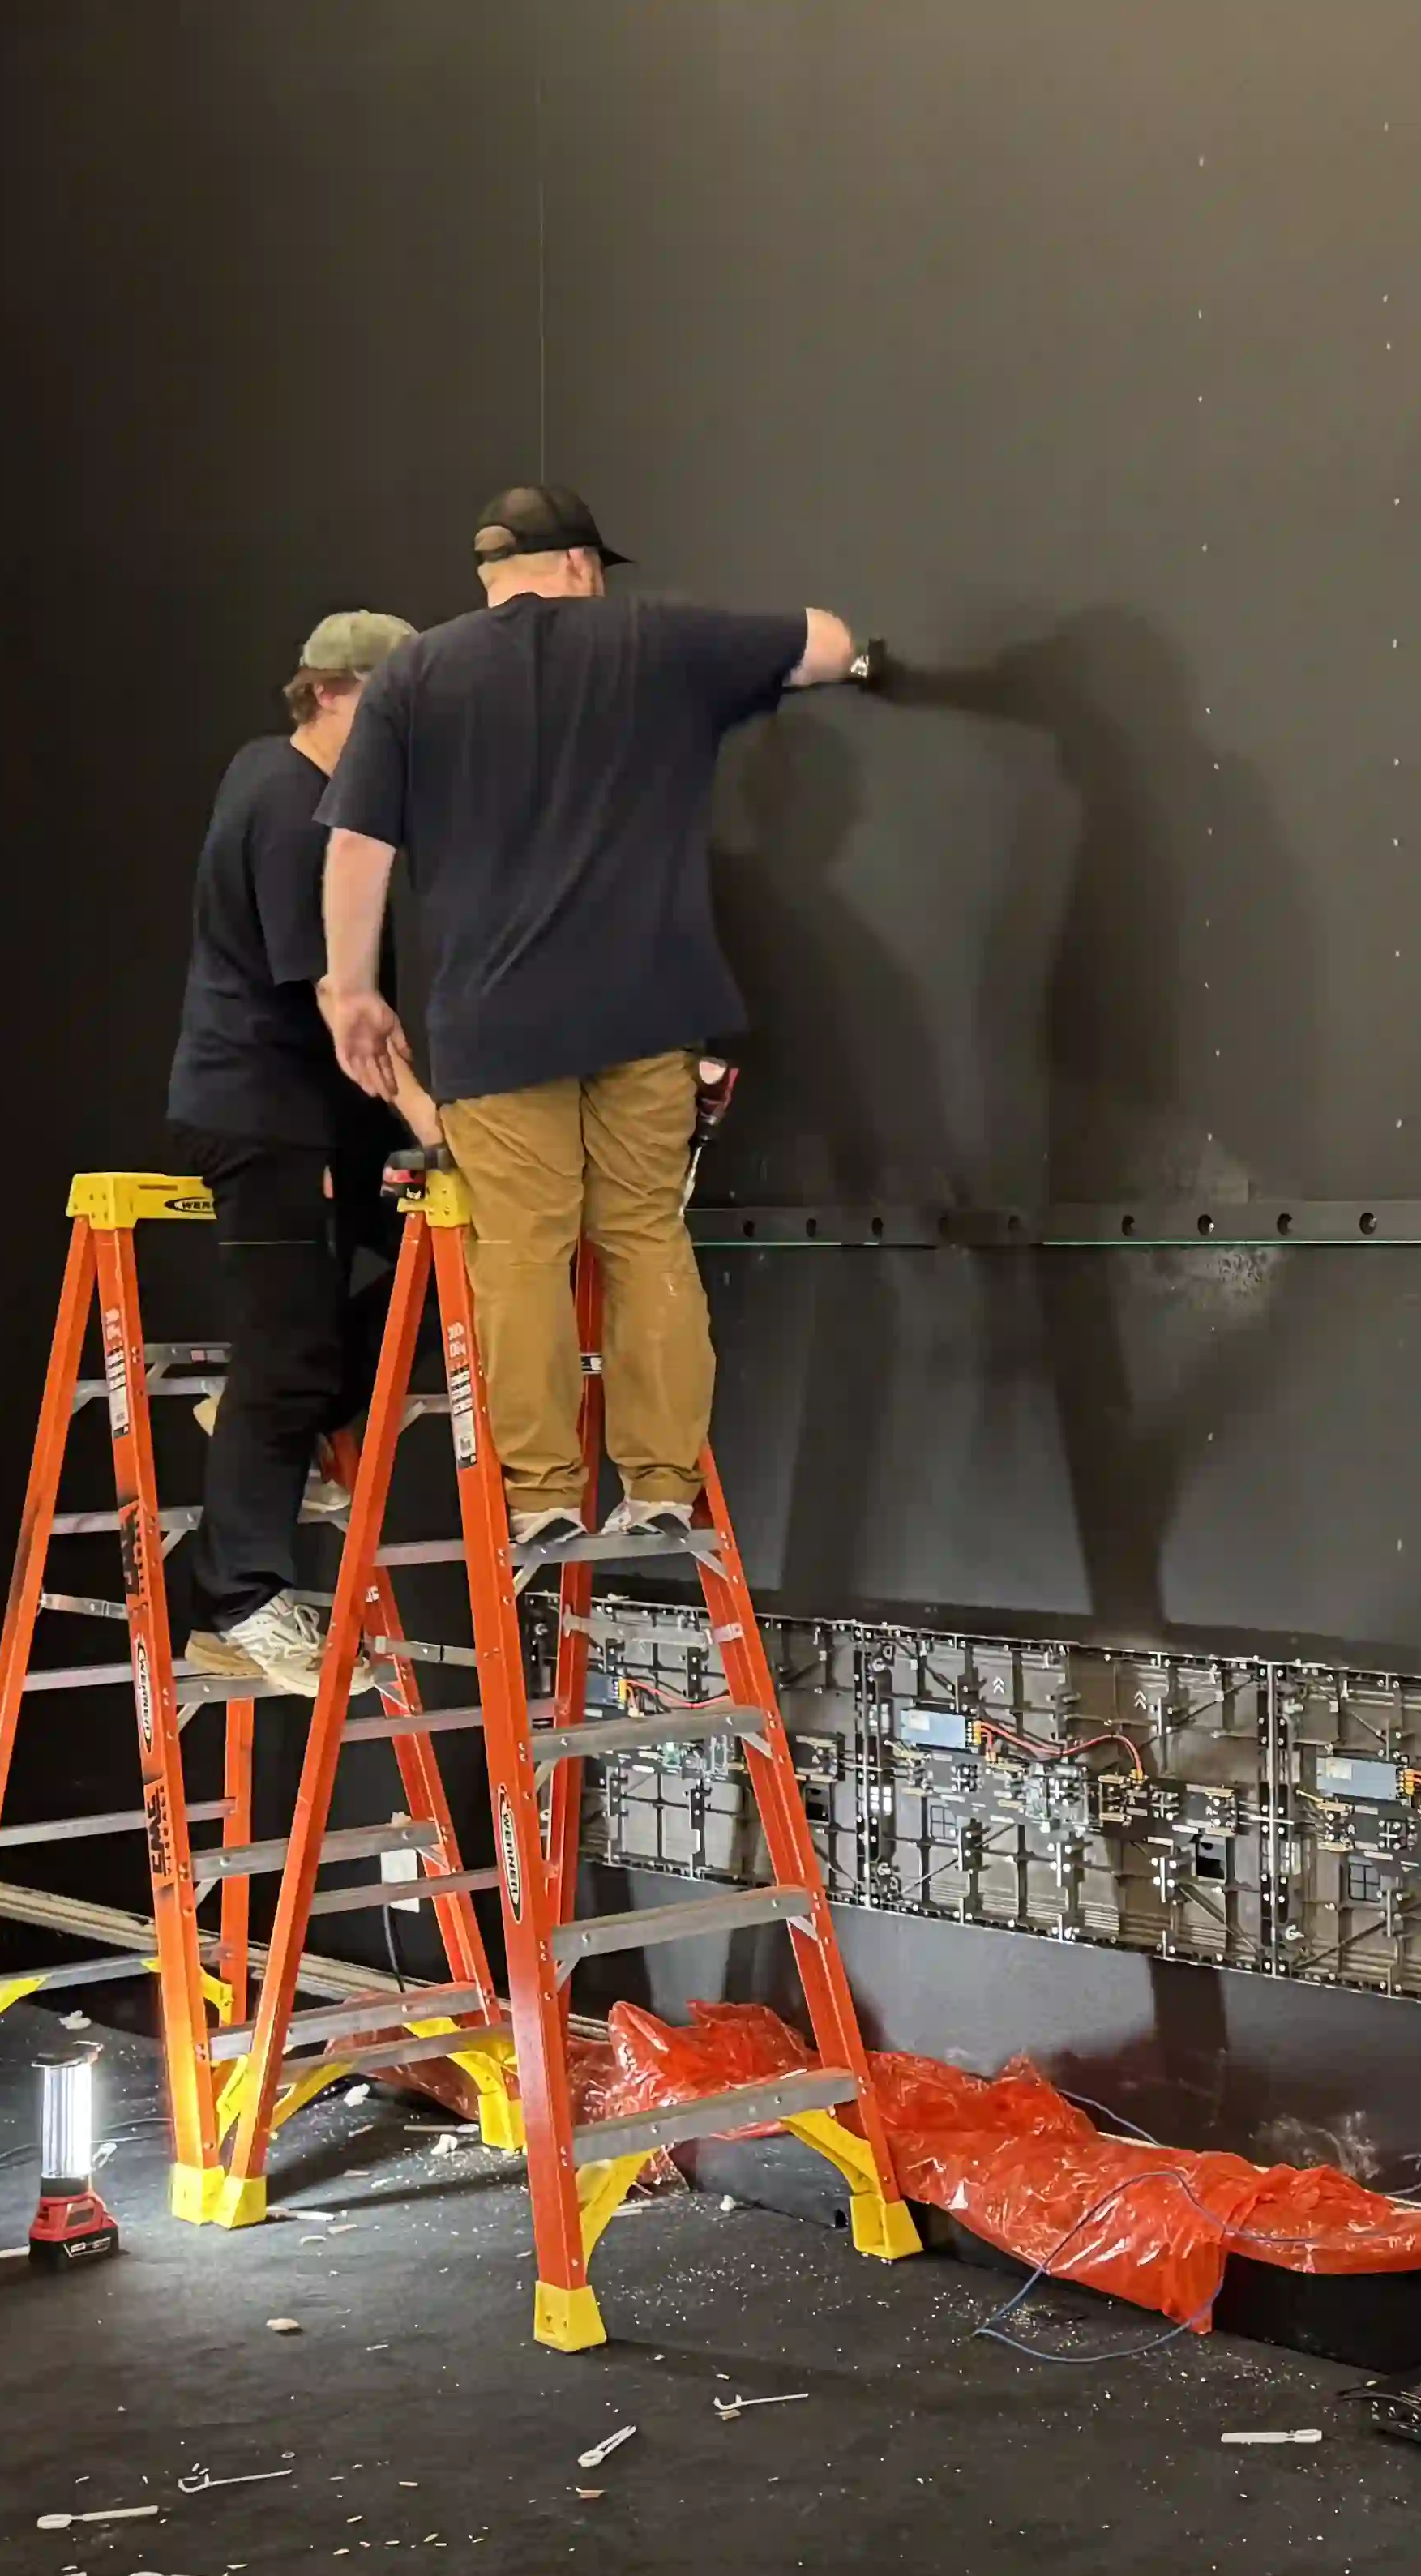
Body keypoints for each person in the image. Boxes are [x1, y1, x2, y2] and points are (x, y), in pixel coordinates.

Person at [311, 486, 863, 1547]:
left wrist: (352, 991)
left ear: (491, 574)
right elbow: (827, 644)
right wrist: (845, 658)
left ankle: (542, 1501)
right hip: (648, 1009)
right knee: (645, 1234)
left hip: (495, 1021)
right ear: (579, 566)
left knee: (522, 1251)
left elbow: (358, 849)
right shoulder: (656, 641)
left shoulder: (417, 675)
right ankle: (661, 1482)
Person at [165, 610, 421, 1695]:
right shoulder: (289, 803)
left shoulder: (292, 784)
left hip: (314, 1109)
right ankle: (238, 1605)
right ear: (327, 692)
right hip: (270, 1112)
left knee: (456, 1263)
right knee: (286, 1355)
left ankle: (281, 1417)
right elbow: (330, 995)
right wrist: (428, 1117)